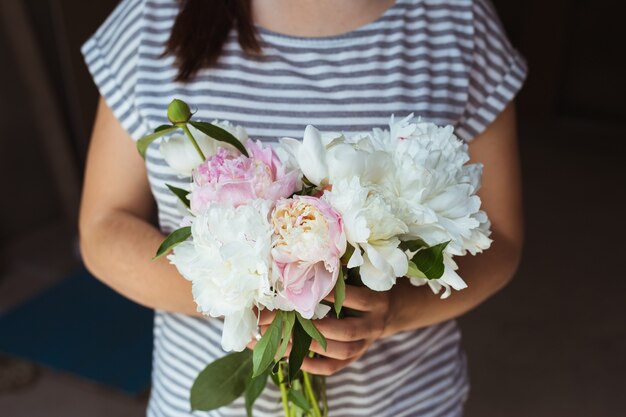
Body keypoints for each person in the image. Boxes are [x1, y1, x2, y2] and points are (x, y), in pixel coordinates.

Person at [79, 0, 526, 416]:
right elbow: (103, 226)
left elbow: (500, 237)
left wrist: (393, 311)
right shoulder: (151, 15)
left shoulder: (455, 18)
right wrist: (245, 299)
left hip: (402, 402)